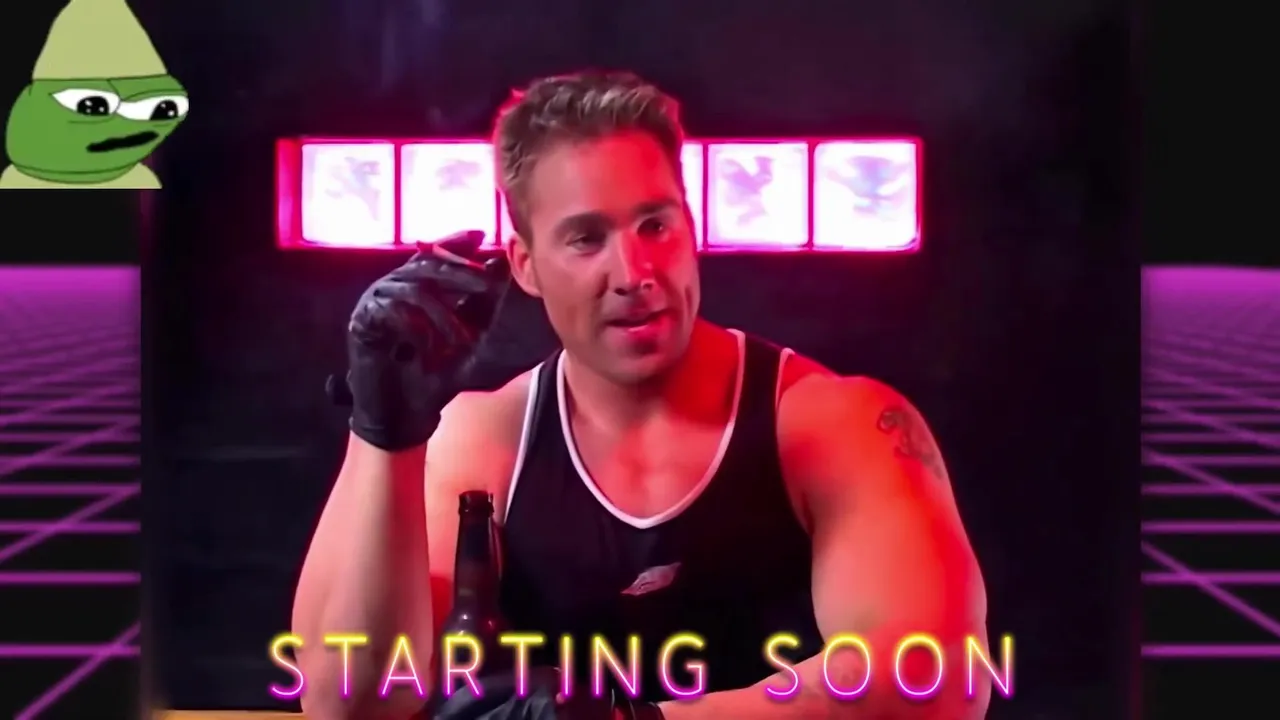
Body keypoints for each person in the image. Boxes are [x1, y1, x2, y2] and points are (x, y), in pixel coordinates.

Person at [292, 71, 991, 720]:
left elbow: (933, 679)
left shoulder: (835, 423)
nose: (633, 272)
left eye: (655, 225)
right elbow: (347, 701)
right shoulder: (483, 443)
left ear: (691, 227)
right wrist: (385, 436)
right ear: (525, 265)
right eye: (586, 239)